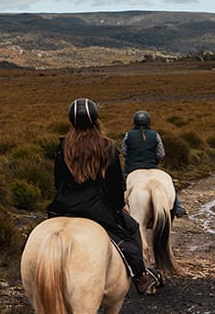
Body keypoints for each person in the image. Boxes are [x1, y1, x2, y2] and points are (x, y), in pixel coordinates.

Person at [46, 98, 161, 295]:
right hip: (97, 209)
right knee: (132, 230)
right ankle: (141, 276)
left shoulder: (63, 146)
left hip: (63, 207)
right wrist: (118, 205)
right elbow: (115, 186)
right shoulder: (106, 147)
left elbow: (58, 183)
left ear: (72, 121)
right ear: (96, 120)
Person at [121, 110, 187, 217]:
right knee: (170, 184)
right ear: (148, 122)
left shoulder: (128, 135)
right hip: (151, 167)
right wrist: (155, 161)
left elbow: (124, 151)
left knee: (120, 187)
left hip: (131, 168)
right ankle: (178, 208)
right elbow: (161, 154)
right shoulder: (155, 135)